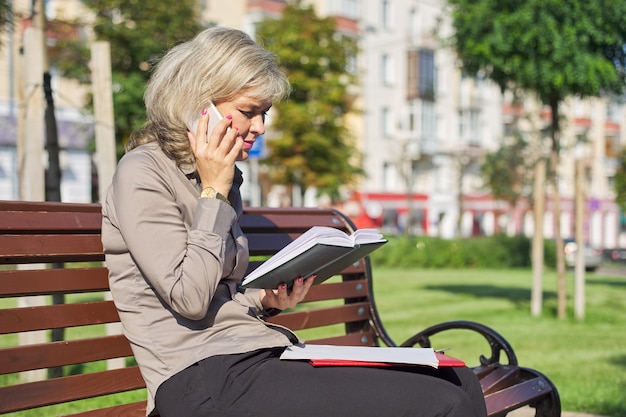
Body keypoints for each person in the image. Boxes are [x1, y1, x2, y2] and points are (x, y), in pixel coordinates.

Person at [101, 26, 487, 417]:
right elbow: (190, 297)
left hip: (250, 355)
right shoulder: (145, 173)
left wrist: (265, 300)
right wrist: (214, 194)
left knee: (459, 380)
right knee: (445, 404)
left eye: (264, 114)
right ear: (200, 107)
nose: (260, 127)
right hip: (198, 378)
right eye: (249, 112)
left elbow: (221, 294)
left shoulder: (217, 175)